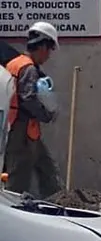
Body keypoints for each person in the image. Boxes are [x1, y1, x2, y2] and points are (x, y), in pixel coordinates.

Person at [4, 22, 62, 197]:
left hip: (15, 126)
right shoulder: (29, 69)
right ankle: (14, 212)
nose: (49, 55)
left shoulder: (15, 63)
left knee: (46, 167)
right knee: (18, 177)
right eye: (50, 49)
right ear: (43, 46)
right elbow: (28, 98)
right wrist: (45, 115)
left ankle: (55, 200)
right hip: (22, 130)